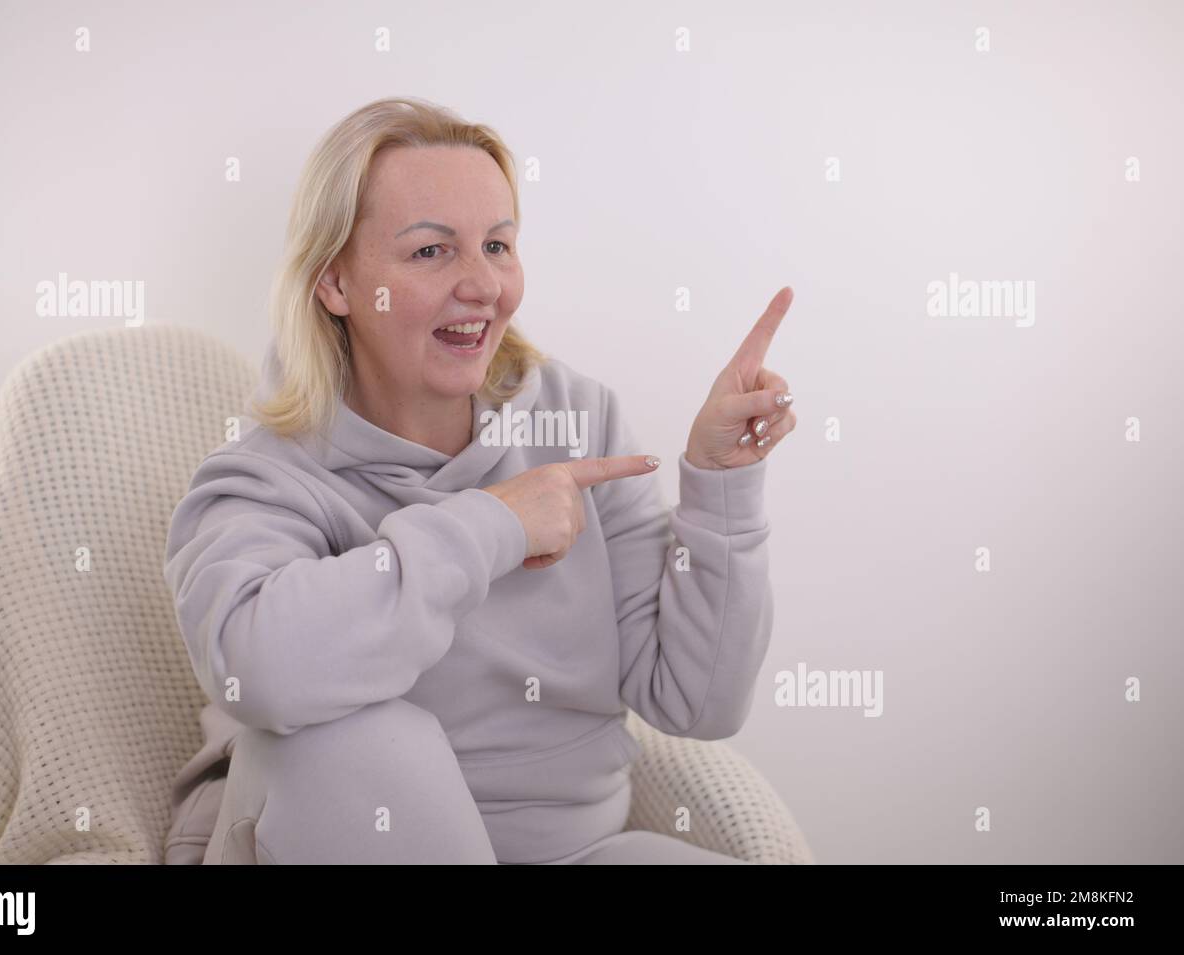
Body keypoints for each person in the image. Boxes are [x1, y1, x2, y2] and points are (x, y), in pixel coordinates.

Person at [162, 96, 797, 865]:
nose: (484, 285)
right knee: (360, 730)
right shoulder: (267, 473)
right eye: (432, 252)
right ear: (335, 282)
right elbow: (256, 670)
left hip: (574, 849)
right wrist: (492, 525)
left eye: (497, 245)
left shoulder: (579, 418)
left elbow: (699, 701)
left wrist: (722, 489)